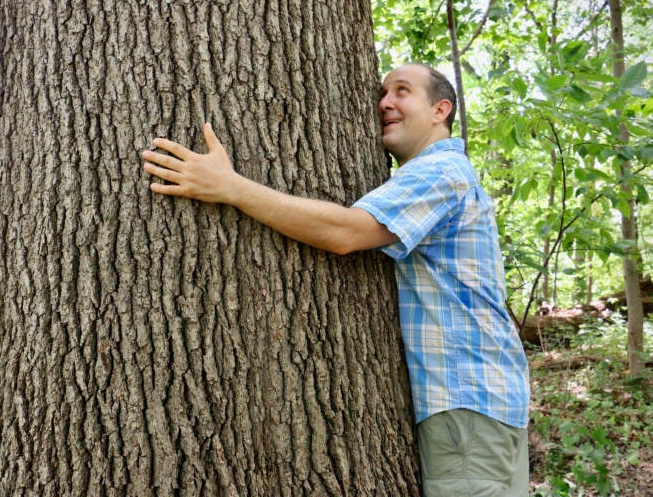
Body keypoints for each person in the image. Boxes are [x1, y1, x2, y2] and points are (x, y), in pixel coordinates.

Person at [142, 63, 530, 496]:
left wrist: (230, 187)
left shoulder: (441, 172)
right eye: (382, 93)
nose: (385, 103)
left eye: (402, 91)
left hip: (466, 403)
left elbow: (345, 232)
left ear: (441, 110)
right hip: (486, 399)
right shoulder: (446, 174)